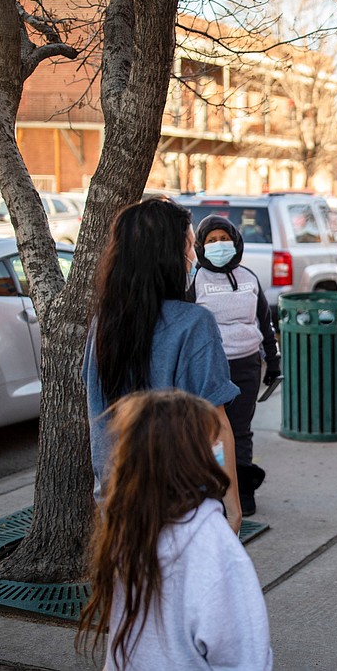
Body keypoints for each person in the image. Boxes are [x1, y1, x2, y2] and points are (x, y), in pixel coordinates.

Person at [77, 390, 272, 671]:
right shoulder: (217, 548)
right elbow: (246, 657)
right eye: (211, 442)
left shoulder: (129, 531)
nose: (219, 448)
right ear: (189, 459)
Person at [84, 197, 242, 530]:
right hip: (182, 506)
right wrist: (233, 510)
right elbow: (217, 426)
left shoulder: (104, 324)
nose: (193, 258)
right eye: (188, 247)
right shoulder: (194, 323)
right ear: (168, 256)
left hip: (116, 502)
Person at [188, 214, 281, 516]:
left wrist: (273, 360)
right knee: (210, 431)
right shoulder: (194, 280)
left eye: (224, 239)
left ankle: (242, 492)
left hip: (247, 365)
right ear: (201, 246)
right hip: (210, 367)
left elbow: (265, 322)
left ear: (236, 241)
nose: (219, 245)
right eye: (212, 241)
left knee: (240, 431)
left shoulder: (249, 278)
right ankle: (213, 491)